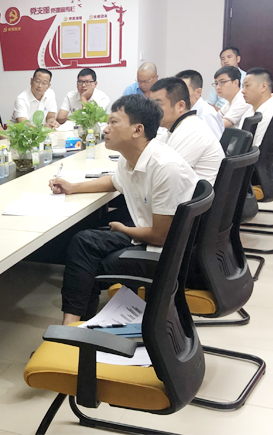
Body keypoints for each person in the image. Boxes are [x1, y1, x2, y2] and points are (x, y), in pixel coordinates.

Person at [49, 95, 198, 324]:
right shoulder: (131, 157)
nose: (106, 129)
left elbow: (161, 236)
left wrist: (124, 230)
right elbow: (115, 181)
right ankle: (73, 325)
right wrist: (74, 187)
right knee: (83, 241)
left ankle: (73, 329)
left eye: (113, 122)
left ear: (137, 130)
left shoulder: (165, 167)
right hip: (147, 233)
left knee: (86, 264)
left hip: (166, 253)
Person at [149, 77, 224, 185]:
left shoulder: (192, 131)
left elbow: (166, 175)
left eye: (157, 105)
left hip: (195, 194)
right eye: (150, 105)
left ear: (180, 106)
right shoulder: (174, 128)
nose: (152, 110)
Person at [175, 70, 224, 139]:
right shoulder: (182, 111)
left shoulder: (207, 114)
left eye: (184, 91)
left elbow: (216, 142)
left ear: (198, 92)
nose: (179, 95)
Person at [241, 67, 273, 147]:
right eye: (242, 86)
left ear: (263, 87)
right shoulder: (248, 112)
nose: (242, 91)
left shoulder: (271, 113)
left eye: (247, 86)